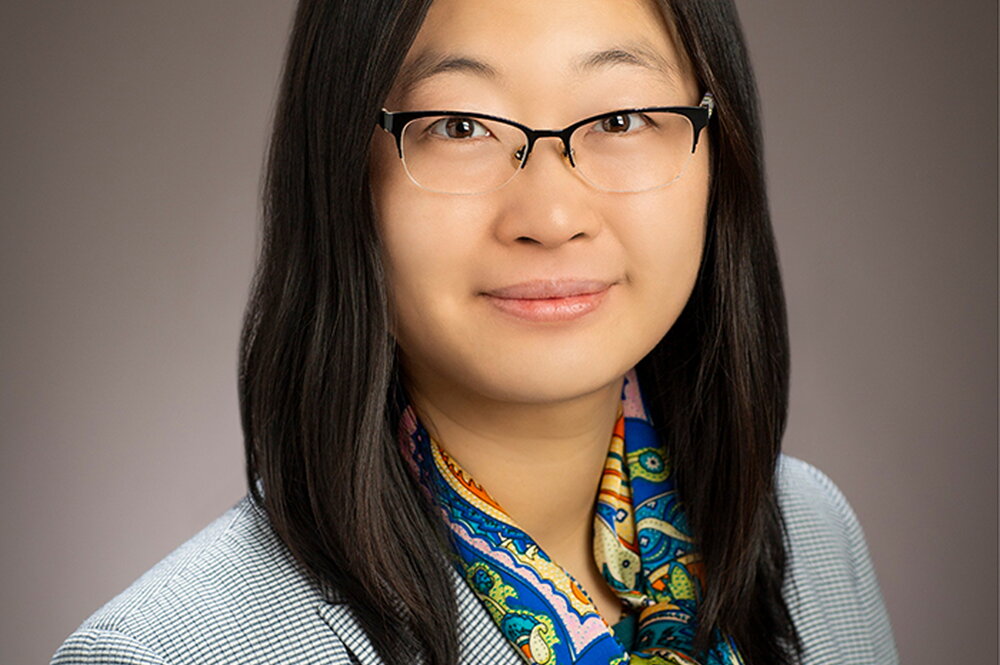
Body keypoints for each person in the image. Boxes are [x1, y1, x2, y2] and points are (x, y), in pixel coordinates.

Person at [51, 0, 898, 663]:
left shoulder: (813, 538)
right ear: (341, 170)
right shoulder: (162, 654)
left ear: (722, 148)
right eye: (459, 127)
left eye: (620, 118)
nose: (552, 214)